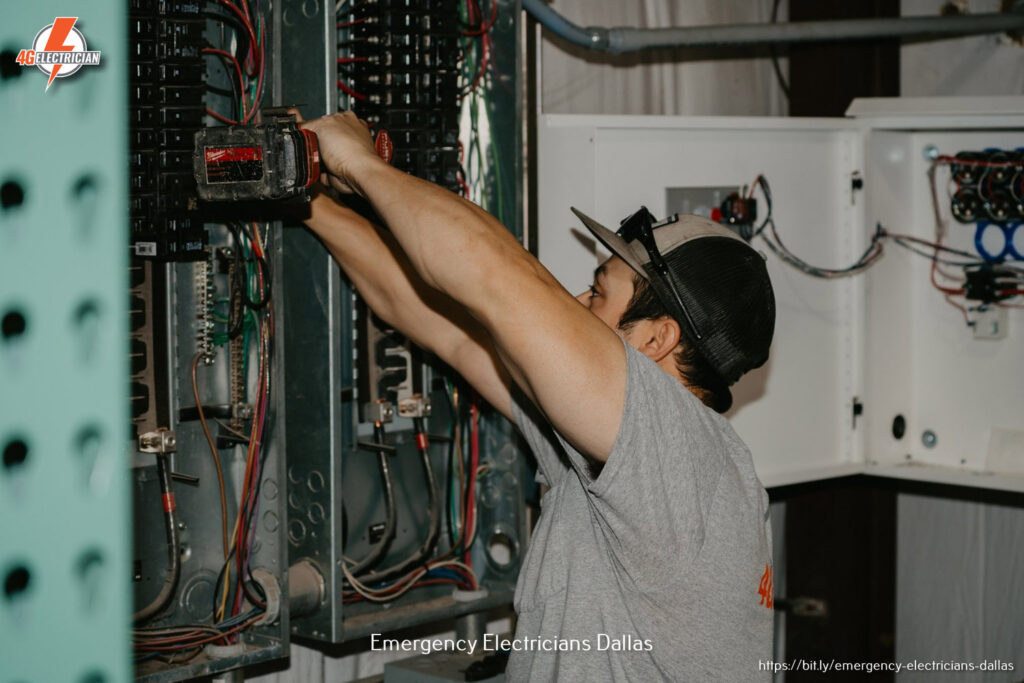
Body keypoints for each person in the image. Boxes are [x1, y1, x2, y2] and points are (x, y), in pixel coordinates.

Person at [300, 110, 777, 681]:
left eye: (600, 292)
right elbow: (441, 323)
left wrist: (357, 165)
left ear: (658, 337)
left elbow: (494, 277)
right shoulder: (615, 446)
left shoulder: (681, 450)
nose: (579, 300)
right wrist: (305, 203)